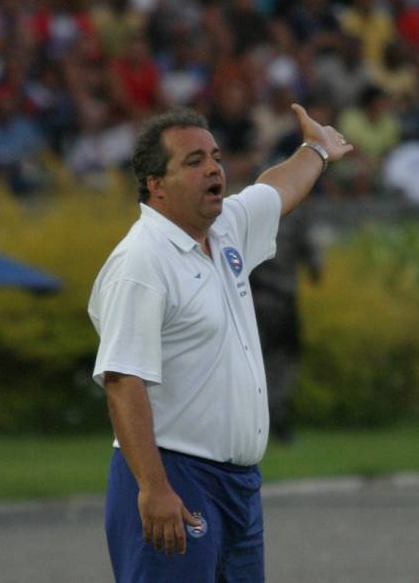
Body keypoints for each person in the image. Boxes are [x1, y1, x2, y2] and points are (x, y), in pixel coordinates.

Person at [88, 104, 352, 582]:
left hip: (239, 487)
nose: (213, 168)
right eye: (193, 161)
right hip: (174, 477)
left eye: (215, 157)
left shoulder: (223, 228)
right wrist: (153, 488)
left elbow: (277, 190)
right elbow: (123, 381)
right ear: (156, 184)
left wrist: (317, 150)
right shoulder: (142, 263)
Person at [250, 203, 322, 444]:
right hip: (281, 299)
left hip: (250, 300)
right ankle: (275, 417)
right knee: (283, 361)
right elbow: (312, 257)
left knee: (254, 363)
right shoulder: (294, 213)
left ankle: (261, 420)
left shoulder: (248, 209)